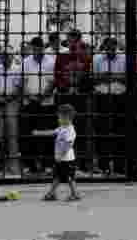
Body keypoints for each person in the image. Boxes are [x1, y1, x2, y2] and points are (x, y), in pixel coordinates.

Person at [53, 29, 90, 172]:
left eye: (75, 41)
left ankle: (80, 163)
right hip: (65, 95)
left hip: (79, 96)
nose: (73, 44)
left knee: (79, 130)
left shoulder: (85, 57)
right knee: (63, 130)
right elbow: (57, 75)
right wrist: (66, 87)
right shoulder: (61, 56)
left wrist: (79, 87)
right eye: (70, 41)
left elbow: (87, 75)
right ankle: (62, 162)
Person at [21, 36, 56, 175]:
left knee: (46, 134)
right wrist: (31, 96)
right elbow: (22, 82)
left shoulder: (51, 61)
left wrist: (43, 95)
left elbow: (53, 81)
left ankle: (47, 164)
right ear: (32, 48)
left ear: (43, 47)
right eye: (34, 47)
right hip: (30, 102)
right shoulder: (26, 62)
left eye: (39, 47)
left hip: (47, 102)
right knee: (29, 135)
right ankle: (30, 166)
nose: (37, 50)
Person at [92, 36, 127, 175]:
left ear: (116, 47)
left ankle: (119, 165)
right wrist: (113, 76)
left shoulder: (123, 58)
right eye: (107, 47)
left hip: (119, 98)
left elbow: (127, 78)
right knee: (103, 132)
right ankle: (103, 164)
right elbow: (94, 78)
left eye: (112, 47)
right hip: (102, 98)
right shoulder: (97, 59)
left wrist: (107, 76)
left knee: (119, 131)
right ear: (104, 47)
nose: (110, 50)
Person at [0, 44, 22, 176]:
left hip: (11, 102)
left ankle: (13, 166)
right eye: (3, 55)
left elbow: (18, 88)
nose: (5, 58)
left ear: (12, 56)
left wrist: (6, 99)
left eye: (8, 55)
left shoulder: (17, 69)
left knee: (12, 134)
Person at [35, 103, 81, 201]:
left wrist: (61, 155)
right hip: (60, 159)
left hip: (67, 159)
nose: (58, 119)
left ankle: (75, 194)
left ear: (67, 118)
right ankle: (51, 194)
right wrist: (39, 132)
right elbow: (52, 132)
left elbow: (68, 145)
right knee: (56, 177)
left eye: (59, 117)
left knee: (69, 178)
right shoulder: (62, 128)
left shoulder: (70, 130)